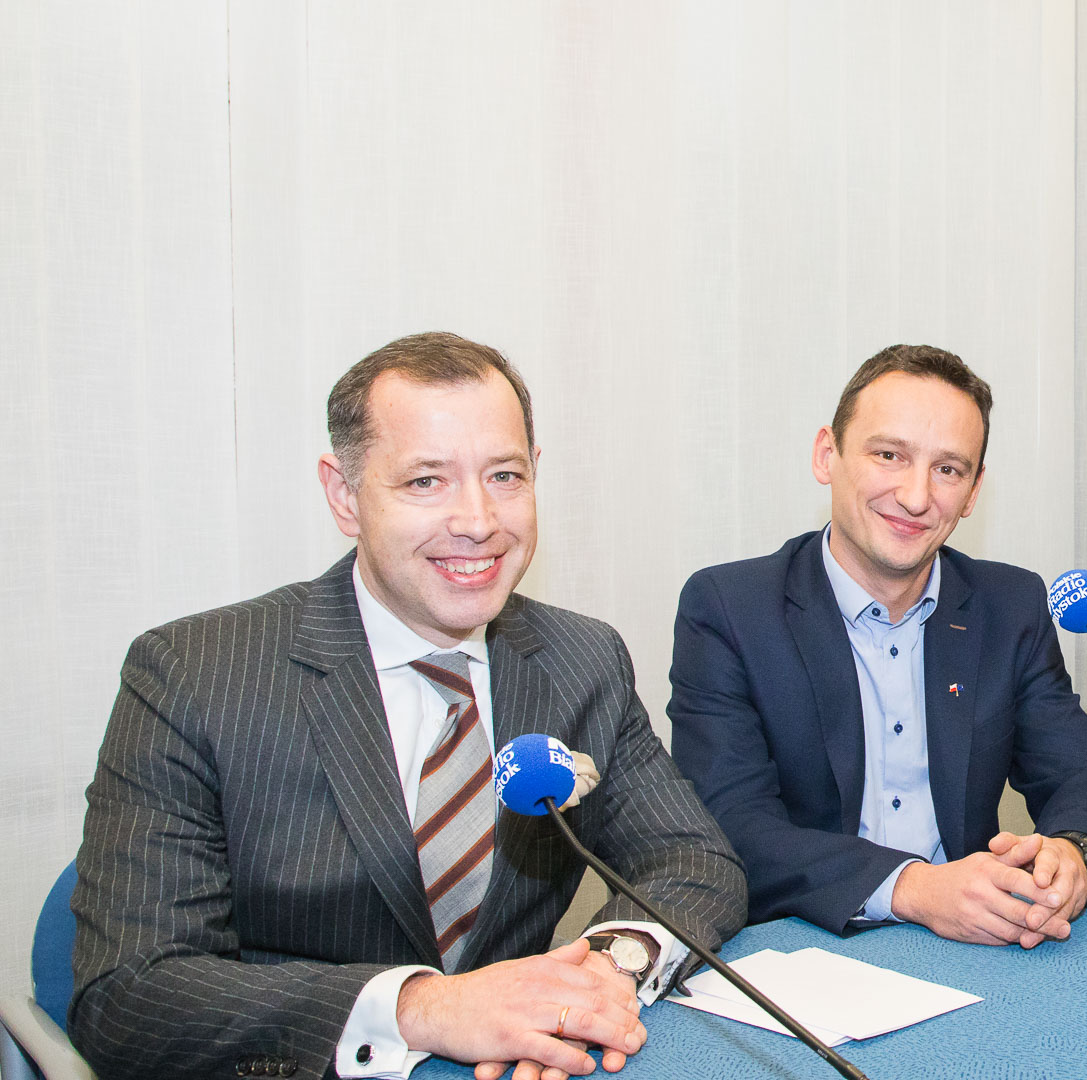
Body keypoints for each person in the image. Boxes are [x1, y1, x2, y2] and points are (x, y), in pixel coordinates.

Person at [70, 333, 747, 1080]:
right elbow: (130, 995)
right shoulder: (195, 674)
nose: (478, 520)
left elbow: (693, 860)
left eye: (504, 476)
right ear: (344, 495)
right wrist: (423, 1008)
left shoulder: (582, 658)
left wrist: (606, 969)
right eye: (426, 481)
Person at [669, 344, 1087, 947]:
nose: (917, 496)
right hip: (802, 947)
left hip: (973, 949)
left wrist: (1074, 856)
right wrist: (914, 888)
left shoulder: (1009, 606)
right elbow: (730, 829)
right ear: (827, 454)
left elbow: (1084, 780)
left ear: (973, 492)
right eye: (889, 455)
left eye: (948, 469)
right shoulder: (729, 609)